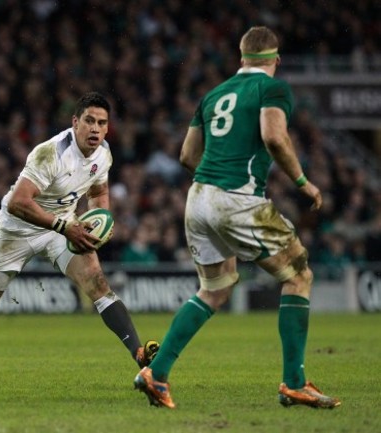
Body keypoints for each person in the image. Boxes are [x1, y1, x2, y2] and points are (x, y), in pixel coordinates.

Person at [133, 27, 341, 409]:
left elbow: (186, 156)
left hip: (198, 198)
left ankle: (156, 373)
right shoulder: (272, 89)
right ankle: (294, 382)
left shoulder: (213, 94)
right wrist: (303, 182)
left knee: (214, 289)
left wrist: (217, 178)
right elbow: (275, 137)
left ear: (241, 58)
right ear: (275, 61)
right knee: (299, 275)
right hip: (236, 199)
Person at [0, 91, 158, 385]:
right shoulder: (49, 153)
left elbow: (98, 193)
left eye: (101, 123)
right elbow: (19, 202)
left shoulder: (103, 154)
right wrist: (66, 228)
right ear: (75, 122)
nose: (95, 129)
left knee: (98, 283)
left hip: (63, 225)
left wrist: (98, 220)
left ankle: (139, 355)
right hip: (17, 229)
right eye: (89, 121)